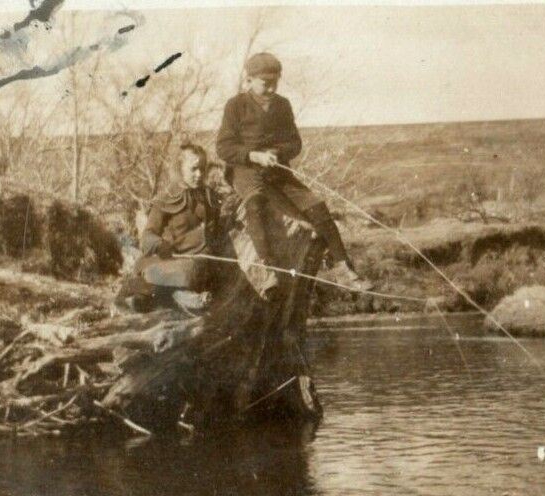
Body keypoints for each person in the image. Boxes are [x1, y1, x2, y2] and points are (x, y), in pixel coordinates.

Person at [216, 52, 370, 293]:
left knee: (317, 206)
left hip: (277, 171)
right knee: (255, 204)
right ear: (250, 80)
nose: (270, 88)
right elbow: (224, 148)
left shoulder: (282, 105)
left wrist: (276, 153)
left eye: (274, 82)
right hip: (245, 170)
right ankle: (268, 270)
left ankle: (343, 268)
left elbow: (295, 143)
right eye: (265, 83)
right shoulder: (235, 105)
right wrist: (254, 156)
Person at [116, 142, 220, 313]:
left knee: (195, 272)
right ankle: (183, 299)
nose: (199, 174)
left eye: (202, 168)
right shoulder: (165, 198)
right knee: (181, 274)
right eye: (193, 169)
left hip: (201, 260)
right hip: (170, 260)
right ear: (180, 168)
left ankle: (166, 296)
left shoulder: (209, 197)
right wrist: (160, 244)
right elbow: (147, 238)